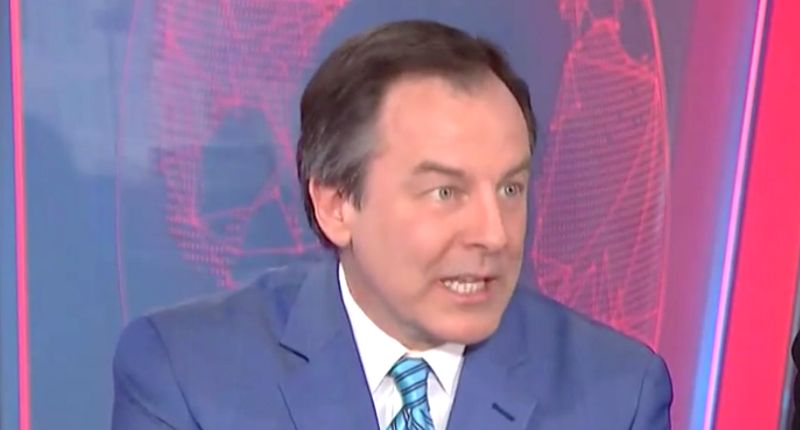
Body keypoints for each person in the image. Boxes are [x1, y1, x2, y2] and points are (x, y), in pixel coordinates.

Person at [111, 19, 672, 429]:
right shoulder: (187, 375)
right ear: (336, 205)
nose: (495, 234)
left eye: (510, 189)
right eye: (445, 192)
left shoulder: (618, 395)